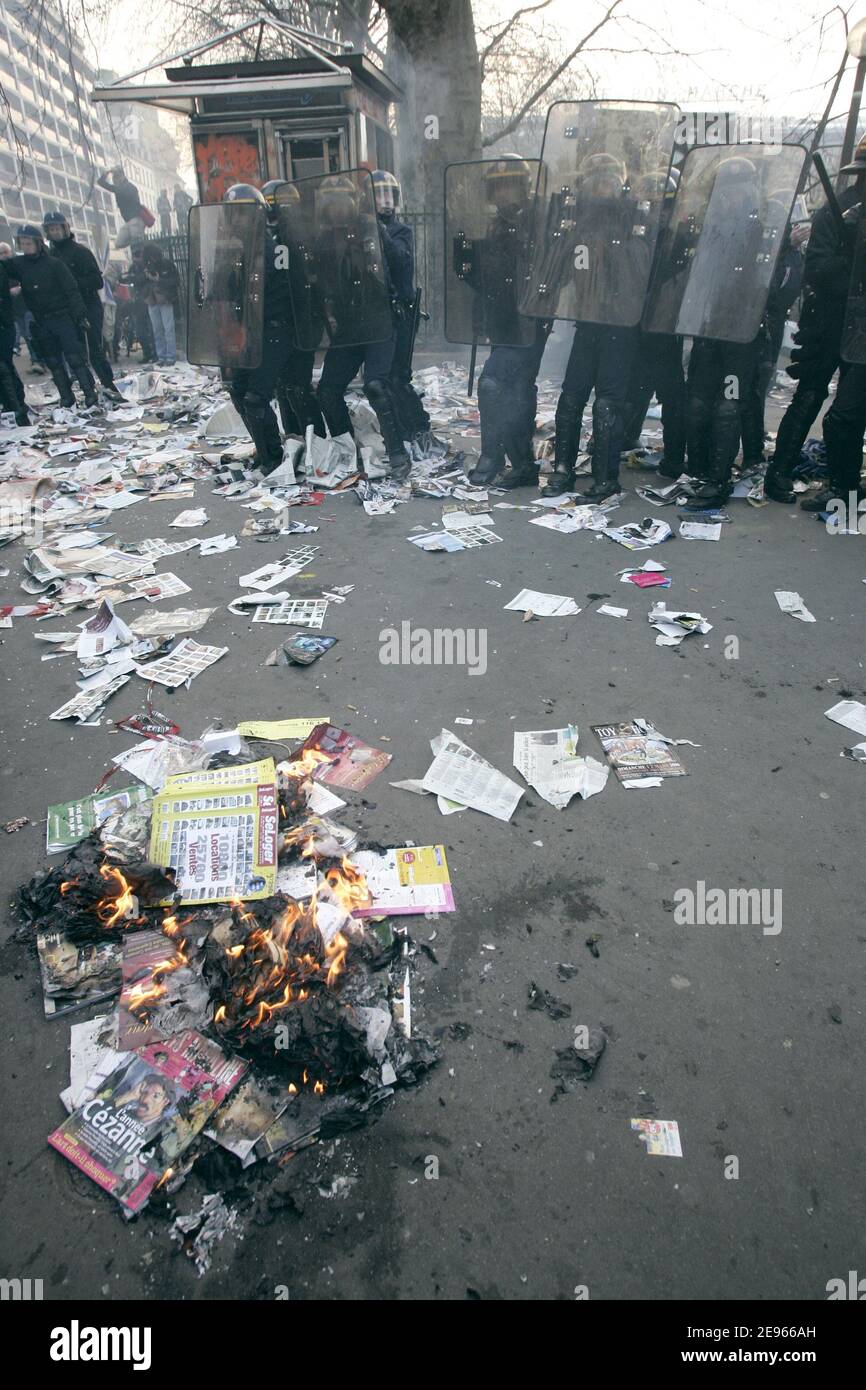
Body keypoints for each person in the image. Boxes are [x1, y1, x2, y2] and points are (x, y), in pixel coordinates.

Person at [765, 140, 866, 506]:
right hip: (830, 321)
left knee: (850, 411)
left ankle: (846, 483)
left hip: (864, 328)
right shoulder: (835, 214)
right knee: (809, 396)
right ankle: (778, 473)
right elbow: (818, 271)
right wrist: (851, 258)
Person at [545, 155, 650, 499]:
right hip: (587, 322)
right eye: (596, 181)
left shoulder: (635, 219)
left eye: (609, 180)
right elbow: (559, 270)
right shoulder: (577, 223)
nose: (603, 188)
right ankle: (563, 469)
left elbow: (641, 271)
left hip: (620, 324)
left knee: (607, 404)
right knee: (571, 397)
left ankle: (606, 477)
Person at [458, 157, 548, 489]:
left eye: (509, 185)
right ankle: (523, 463)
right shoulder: (495, 225)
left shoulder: (538, 221)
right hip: (502, 320)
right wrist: (465, 258)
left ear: (522, 187)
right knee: (518, 389)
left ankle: (492, 457)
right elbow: (484, 280)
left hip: (528, 319)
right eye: (497, 187)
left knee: (493, 383)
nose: (502, 193)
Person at [315, 174, 411, 481]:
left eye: (343, 204)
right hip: (348, 326)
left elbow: (400, 265)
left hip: (380, 319)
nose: (338, 211)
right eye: (332, 205)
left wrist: (381, 234)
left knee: (376, 385)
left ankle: (397, 453)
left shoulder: (372, 229)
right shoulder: (323, 241)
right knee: (328, 389)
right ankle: (347, 448)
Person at [222, 183, 298, 473]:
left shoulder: (274, 249)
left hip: (277, 331)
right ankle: (264, 448)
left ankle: (273, 459)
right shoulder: (242, 252)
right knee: (238, 389)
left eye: (243, 214)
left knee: (255, 398)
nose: (238, 221)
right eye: (234, 215)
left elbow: (278, 293)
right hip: (254, 332)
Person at [371, 169, 441, 455]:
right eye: (379, 195)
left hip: (402, 311)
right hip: (377, 314)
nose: (386, 201)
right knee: (383, 379)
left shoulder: (400, 231)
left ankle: (419, 426)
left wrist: (381, 232)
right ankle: (401, 427)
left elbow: (400, 260)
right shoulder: (366, 230)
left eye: (390, 195)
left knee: (399, 376)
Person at [6, 224, 97, 409]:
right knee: (53, 362)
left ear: (38, 243)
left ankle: (89, 394)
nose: (26, 246)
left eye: (29, 243)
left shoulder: (54, 264)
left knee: (75, 358)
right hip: (41, 320)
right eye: (22, 243)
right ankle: (66, 397)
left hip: (62, 317)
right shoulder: (18, 265)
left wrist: (80, 316)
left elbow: (72, 291)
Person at [260, 178, 325, 440]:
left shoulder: (295, 240)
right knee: (286, 386)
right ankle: (296, 439)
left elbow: (293, 281)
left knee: (297, 386)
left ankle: (314, 441)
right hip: (287, 325)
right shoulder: (282, 239)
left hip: (299, 323)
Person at [42, 211, 124, 402]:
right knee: (76, 354)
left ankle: (109, 385)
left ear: (65, 229)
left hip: (88, 306)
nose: (54, 233)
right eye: (51, 229)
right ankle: (90, 390)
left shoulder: (80, 252)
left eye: (57, 228)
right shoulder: (51, 255)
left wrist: (71, 283)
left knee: (94, 349)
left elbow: (97, 280)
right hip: (67, 310)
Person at [0, 258, 30, 424]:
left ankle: (16, 408)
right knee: (5, 368)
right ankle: (14, 407)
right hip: (5, 324)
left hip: (3, 326)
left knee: (4, 368)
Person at [140, 244, 178, 366]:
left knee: (168, 329)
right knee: (157, 330)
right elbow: (140, 283)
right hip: (152, 301)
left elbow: (176, 281)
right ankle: (162, 356)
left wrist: (159, 280)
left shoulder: (167, 264)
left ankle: (170, 356)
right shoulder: (146, 266)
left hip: (165, 300)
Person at [123, 247, 156, 363]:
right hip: (138, 302)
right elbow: (130, 280)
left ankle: (154, 353)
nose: (136, 260)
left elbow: (142, 280)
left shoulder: (148, 266)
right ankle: (148, 353)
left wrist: (132, 278)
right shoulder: (134, 267)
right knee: (141, 329)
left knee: (151, 328)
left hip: (148, 299)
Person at [97, 166, 144, 248]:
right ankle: (138, 241)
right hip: (128, 221)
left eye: (117, 177)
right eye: (114, 178)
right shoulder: (118, 188)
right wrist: (107, 172)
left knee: (136, 246)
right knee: (118, 243)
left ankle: (140, 243)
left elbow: (125, 194)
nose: (114, 180)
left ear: (122, 176)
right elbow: (100, 182)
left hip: (135, 219)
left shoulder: (130, 187)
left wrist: (116, 187)